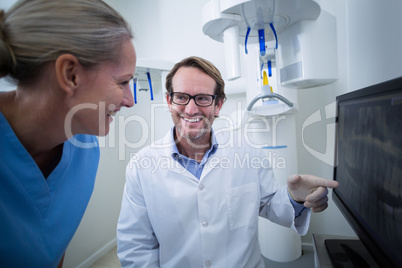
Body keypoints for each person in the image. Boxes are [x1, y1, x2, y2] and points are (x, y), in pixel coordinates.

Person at [116, 56, 339, 267]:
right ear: (169, 101)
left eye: (203, 98)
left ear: (218, 105)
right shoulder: (141, 167)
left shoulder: (247, 152)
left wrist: (296, 199)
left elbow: (270, 204)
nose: (191, 109)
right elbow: (135, 246)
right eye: (181, 97)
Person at [0, 0, 136, 267]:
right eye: (122, 82)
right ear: (70, 74)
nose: (130, 101)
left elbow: (52, 248)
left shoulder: (85, 147)